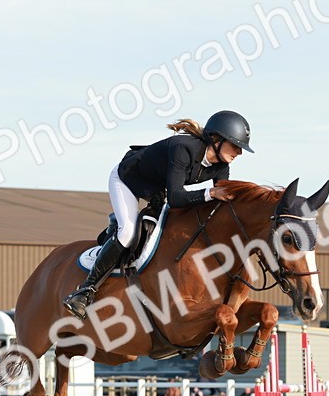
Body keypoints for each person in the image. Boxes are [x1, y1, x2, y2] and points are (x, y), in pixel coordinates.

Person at [62, 110, 253, 320]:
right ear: (217, 139)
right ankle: (85, 291)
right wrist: (209, 193)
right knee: (128, 232)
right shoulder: (184, 148)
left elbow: (219, 204)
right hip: (128, 178)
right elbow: (175, 198)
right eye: (236, 146)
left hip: (157, 189)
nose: (239, 153)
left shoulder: (221, 166)